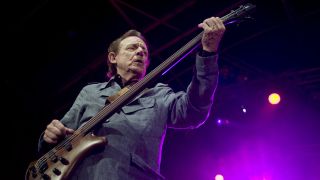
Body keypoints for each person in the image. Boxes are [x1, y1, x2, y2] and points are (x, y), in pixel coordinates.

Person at [38, 16, 225, 179]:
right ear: (113, 58)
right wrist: (51, 136)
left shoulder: (159, 95)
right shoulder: (91, 93)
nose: (140, 53)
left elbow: (194, 111)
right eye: (132, 48)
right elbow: (60, 140)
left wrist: (208, 53)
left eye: (144, 52)